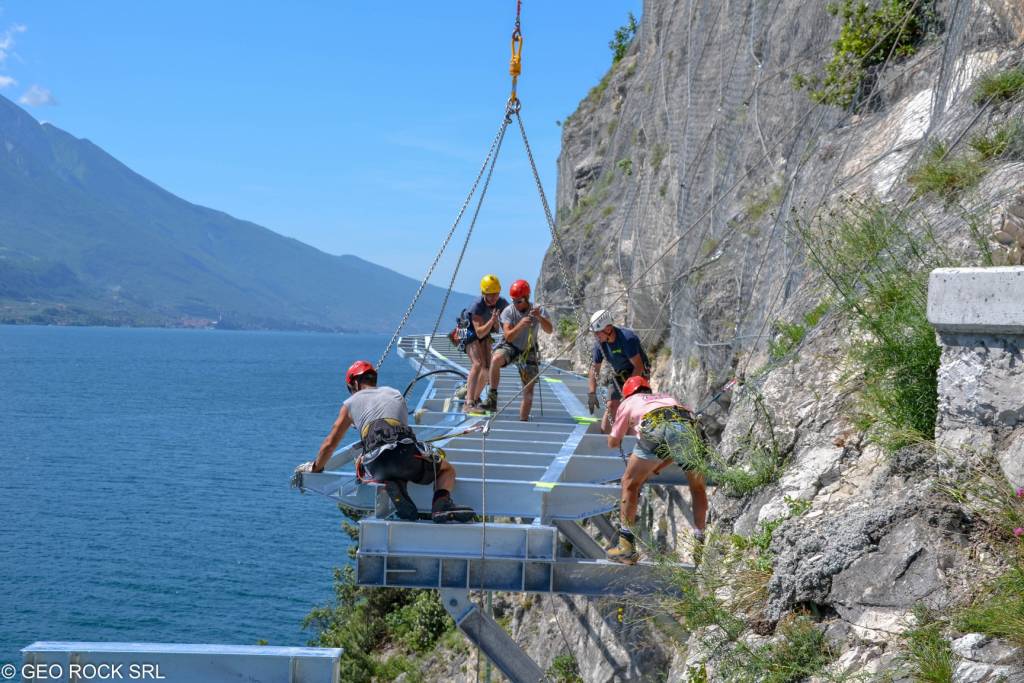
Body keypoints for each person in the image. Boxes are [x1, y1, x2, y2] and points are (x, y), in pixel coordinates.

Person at [310, 360, 475, 524]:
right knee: (446, 470)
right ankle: (441, 504)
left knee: (387, 461)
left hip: (376, 465)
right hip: (404, 456)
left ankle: (395, 484)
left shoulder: (349, 404)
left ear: (354, 383)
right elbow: (405, 436)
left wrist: (316, 467)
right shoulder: (394, 393)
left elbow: (330, 443)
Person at [605, 376, 708, 564]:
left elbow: (613, 442)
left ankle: (626, 546)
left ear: (628, 393)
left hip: (655, 427)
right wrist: (658, 466)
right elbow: (672, 440)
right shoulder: (667, 398)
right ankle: (700, 539)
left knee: (629, 483)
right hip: (688, 428)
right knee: (697, 487)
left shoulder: (628, 402)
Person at [484, 279, 553, 418]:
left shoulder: (538, 309)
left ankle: (523, 421)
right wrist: (521, 324)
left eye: (519, 301)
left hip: (529, 350)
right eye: (514, 301)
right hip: (511, 346)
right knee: (496, 359)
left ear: (526, 298)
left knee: (528, 394)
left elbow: (549, 330)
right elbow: (508, 336)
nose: (516, 304)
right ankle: (492, 396)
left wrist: (540, 317)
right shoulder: (508, 312)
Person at [586, 309, 650, 433]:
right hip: (619, 374)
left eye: (598, 332)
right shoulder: (600, 344)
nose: (596, 336)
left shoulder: (627, 339)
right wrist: (592, 393)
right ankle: (604, 438)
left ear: (608, 328)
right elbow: (595, 369)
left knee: (631, 409)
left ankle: (631, 442)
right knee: (611, 406)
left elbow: (638, 366)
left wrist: (627, 394)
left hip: (637, 375)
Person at [464, 274, 509, 412]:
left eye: (496, 294)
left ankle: (476, 398)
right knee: (478, 364)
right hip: (467, 331)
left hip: (485, 331)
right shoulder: (477, 306)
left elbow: (499, 327)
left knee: (487, 368)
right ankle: (469, 402)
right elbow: (479, 333)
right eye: (491, 295)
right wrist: (492, 321)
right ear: (484, 293)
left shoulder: (502, 303)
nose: (494, 297)